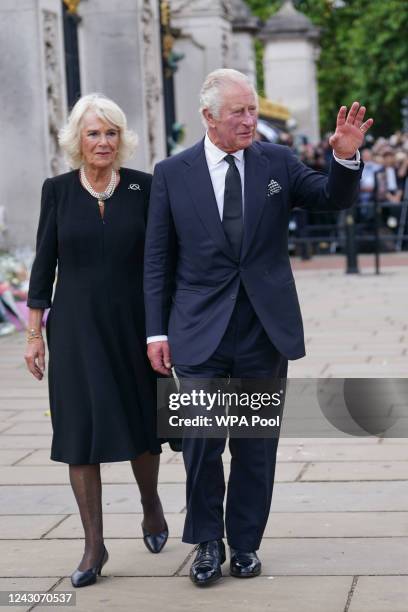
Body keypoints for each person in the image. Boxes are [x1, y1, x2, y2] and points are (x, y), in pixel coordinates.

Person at [144, 68, 373, 587]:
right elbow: (157, 260)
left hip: (262, 331)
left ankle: (245, 544)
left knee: (254, 444)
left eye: (253, 110)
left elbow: (332, 199)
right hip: (197, 332)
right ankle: (206, 542)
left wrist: (343, 157)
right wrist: (155, 332)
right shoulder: (171, 173)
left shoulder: (277, 162)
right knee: (202, 443)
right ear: (209, 118)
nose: (251, 121)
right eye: (240, 113)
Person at [25, 94, 168, 588]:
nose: (102, 142)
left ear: (121, 139)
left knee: (140, 427)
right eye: (93, 133)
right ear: (77, 141)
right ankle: (94, 546)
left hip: (135, 326)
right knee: (79, 434)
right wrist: (33, 333)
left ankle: (151, 505)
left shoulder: (145, 188)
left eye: (110, 133)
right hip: (77, 329)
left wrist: (168, 326)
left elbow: (163, 260)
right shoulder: (58, 191)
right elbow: (44, 265)